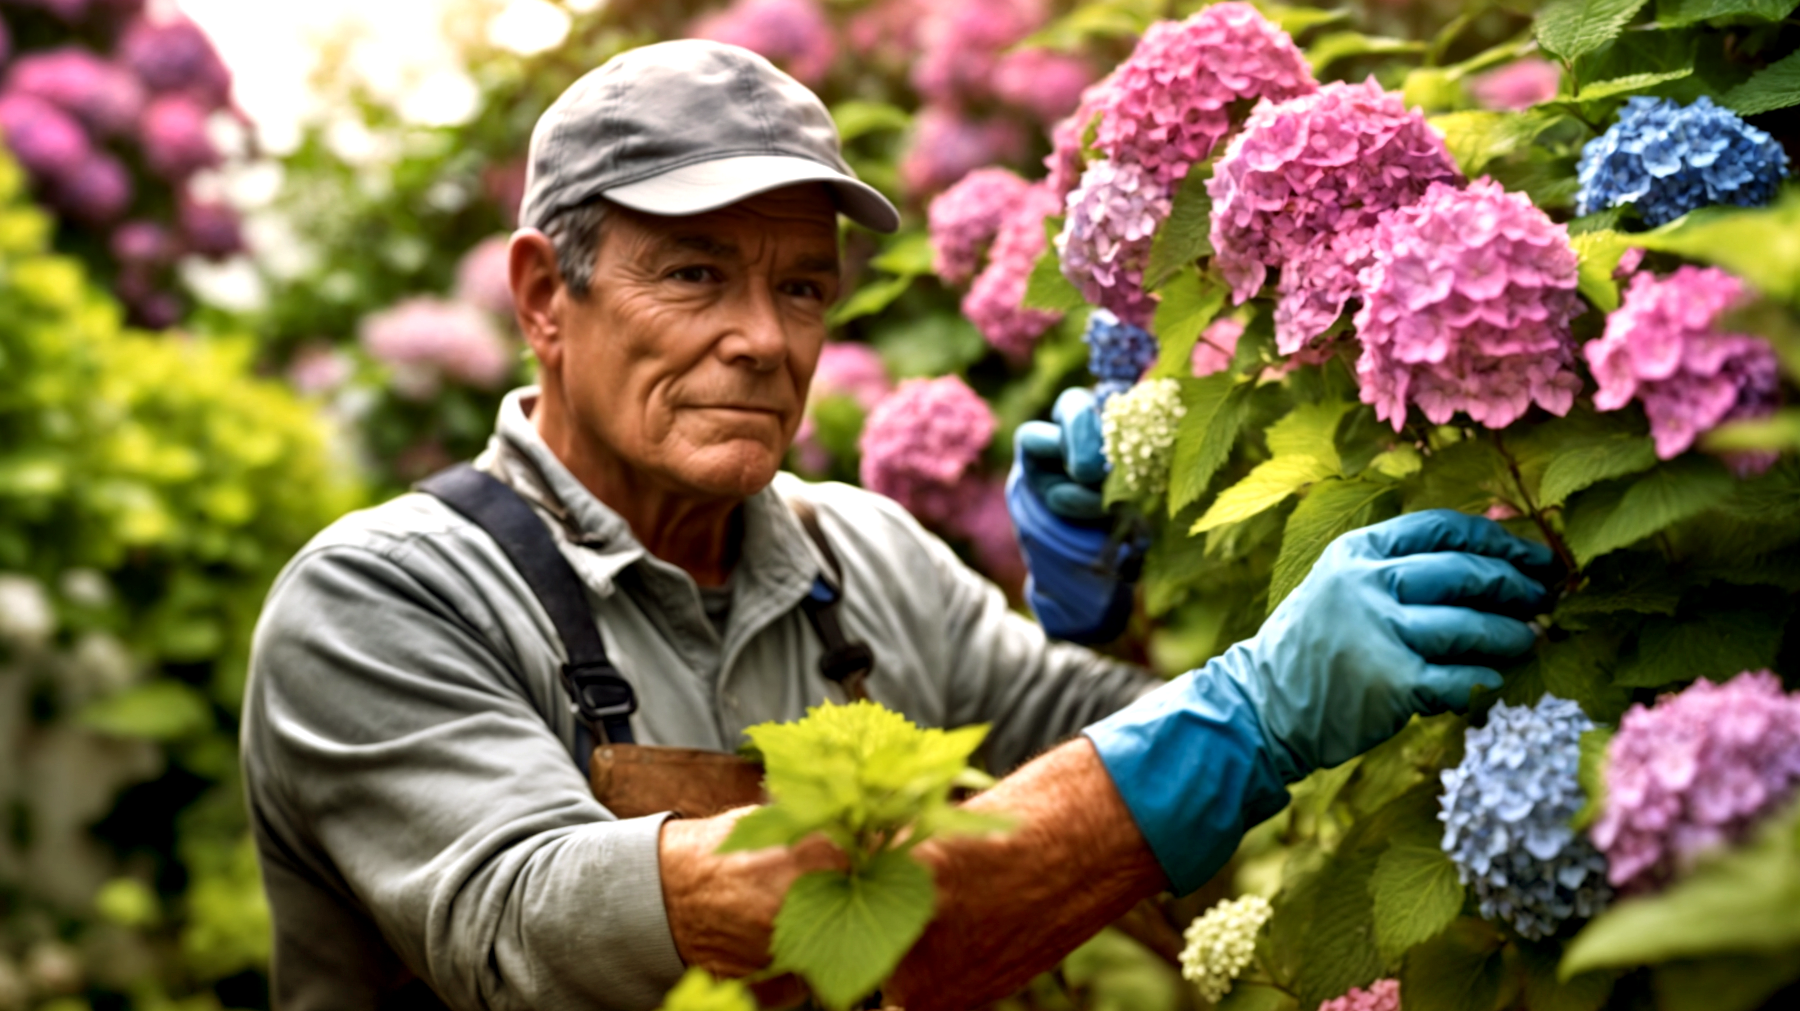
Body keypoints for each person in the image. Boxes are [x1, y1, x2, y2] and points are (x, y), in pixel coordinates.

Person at [241, 40, 1554, 1011]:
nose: (762, 338)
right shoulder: (383, 598)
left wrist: (1114, 621)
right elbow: (552, 933)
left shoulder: (857, 558)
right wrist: (1247, 711)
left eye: (801, 284)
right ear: (544, 296)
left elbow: (1173, 864)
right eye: (695, 272)